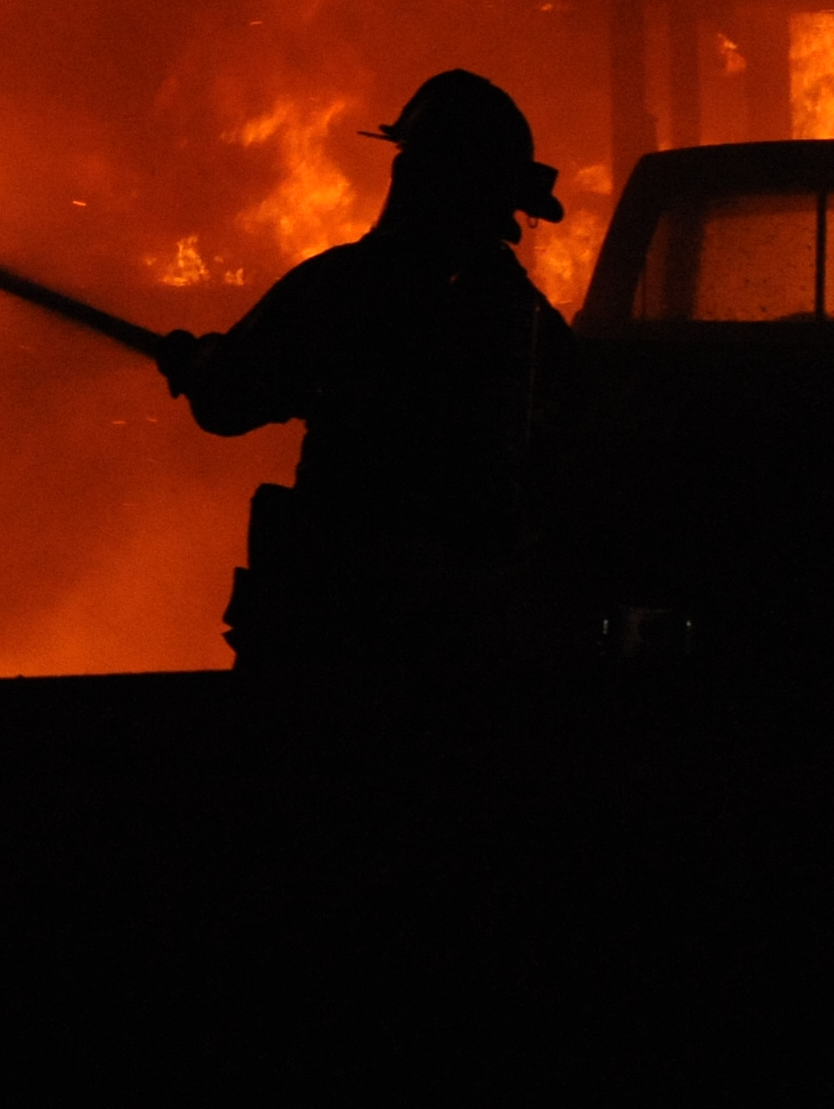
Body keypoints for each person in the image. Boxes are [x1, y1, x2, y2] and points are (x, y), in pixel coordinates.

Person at [158, 70, 575, 665]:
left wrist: (195, 364)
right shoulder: (527, 320)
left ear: (411, 175)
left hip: (342, 627)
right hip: (473, 641)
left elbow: (229, 398)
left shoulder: (346, 286)